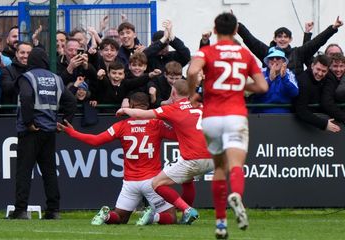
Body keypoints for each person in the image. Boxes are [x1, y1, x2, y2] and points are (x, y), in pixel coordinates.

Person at [186, 12, 268, 239]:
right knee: (235, 166)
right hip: (235, 116)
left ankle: (221, 224)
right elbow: (262, 87)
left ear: (214, 30)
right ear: (235, 31)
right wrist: (240, 83)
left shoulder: (207, 51)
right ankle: (237, 197)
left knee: (219, 168)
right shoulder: (244, 54)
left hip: (211, 118)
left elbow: (193, 71)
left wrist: (193, 93)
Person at [58, 92, 177, 225]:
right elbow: (178, 136)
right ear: (148, 106)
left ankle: (107, 216)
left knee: (120, 217)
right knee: (171, 217)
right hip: (152, 181)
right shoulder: (157, 124)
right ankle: (153, 217)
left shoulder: (121, 126)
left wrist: (72, 132)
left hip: (130, 183)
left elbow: (96, 141)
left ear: (131, 105)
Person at [116, 79, 214, 225]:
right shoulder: (200, 104)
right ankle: (186, 215)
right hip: (213, 157)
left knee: (157, 184)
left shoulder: (173, 109)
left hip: (194, 157)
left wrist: (125, 110)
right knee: (187, 180)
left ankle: (187, 210)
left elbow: (141, 115)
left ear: (173, 92)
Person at [9, 47, 76, 220]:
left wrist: (29, 122)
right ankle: (53, 210)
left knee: (24, 171)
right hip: (49, 131)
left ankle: (21, 210)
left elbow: (25, 97)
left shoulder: (27, 77)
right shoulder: (56, 79)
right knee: (49, 172)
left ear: (30, 61)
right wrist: (65, 122)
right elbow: (71, 101)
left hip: (30, 131)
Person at [237, 16, 343, 75]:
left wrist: (332, 28)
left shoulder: (297, 53)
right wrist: (238, 26)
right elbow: (252, 41)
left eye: (285, 36)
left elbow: (315, 42)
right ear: (274, 39)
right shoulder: (266, 52)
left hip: (294, 97)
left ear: (290, 39)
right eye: (279, 36)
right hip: (272, 96)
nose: (282, 39)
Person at [294, 54, 340, 132]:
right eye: (318, 69)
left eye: (323, 71)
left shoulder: (329, 77)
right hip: (300, 127)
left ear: (328, 71)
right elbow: (301, 110)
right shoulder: (303, 81)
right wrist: (324, 124)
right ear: (312, 66)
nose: (320, 73)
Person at [250, 47, 298, 113]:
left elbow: (295, 93)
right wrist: (270, 80)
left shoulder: (289, 74)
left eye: (278, 57)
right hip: (260, 116)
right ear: (268, 61)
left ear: (283, 61)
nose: (274, 60)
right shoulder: (260, 72)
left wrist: (284, 78)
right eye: (271, 58)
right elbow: (254, 93)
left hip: (283, 116)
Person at [0, 41, 33, 110]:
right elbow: (6, 88)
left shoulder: (35, 71)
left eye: (29, 53)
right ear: (16, 54)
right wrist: (23, 80)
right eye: (22, 52)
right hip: (12, 114)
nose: (25, 56)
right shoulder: (7, 70)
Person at [321, 53, 345, 123]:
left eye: (341, 66)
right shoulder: (328, 78)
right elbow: (326, 103)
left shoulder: (341, 78)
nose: (338, 69)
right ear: (329, 67)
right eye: (335, 66)